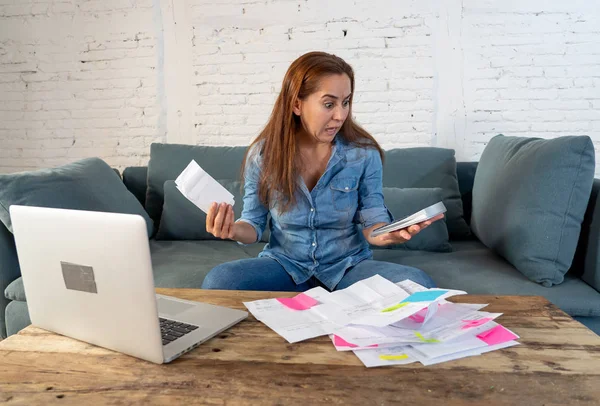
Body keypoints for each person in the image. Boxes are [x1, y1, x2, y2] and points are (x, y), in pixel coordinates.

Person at [200, 51, 443, 292]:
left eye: (345, 102)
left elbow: (373, 220)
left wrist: (388, 235)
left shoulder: (363, 153)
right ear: (297, 104)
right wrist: (232, 230)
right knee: (220, 281)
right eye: (329, 104)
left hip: (348, 268)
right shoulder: (263, 155)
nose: (340, 115)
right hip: (285, 266)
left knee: (417, 285)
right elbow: (252, 224)